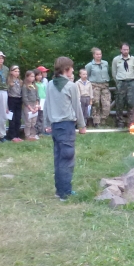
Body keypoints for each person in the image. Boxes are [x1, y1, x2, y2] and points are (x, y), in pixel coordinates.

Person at [44, 56, 86, 200]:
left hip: (55, 127)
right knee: (67, 160)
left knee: (58, 159)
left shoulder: (50, 84)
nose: (73, 70)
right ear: (66, 69)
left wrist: (47, 123)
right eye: (71, 68)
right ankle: (65, 193)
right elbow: (77, 107)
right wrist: (82, 125)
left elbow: (46, 105)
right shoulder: (71, 86)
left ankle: (59, 191)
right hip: (66, 126)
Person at [111, 43, 134, 128]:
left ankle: (131, 122)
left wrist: (133, 79)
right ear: (121, 50)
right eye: (124, 49)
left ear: (129, 50)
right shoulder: (116, 59)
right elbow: (114, 72)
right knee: (120, 103)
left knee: (131, 102)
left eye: (127, 50)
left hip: (131, 82)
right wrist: (117, 82)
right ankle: (120, 122)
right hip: (120, 82)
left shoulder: (133, 59)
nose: (126, 51)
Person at [85, 47, 111, 127]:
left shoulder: (105, 63)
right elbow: (86, 76)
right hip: (94, 86)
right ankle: (96, 122)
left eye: (100, 54)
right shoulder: (89, 65)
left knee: (106, 104)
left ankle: (104, 121)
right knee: (96, 104)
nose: (99, 56)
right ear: (93, 55)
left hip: (105, 86)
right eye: (97, 54)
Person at [6, 65, 23, 142]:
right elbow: (6, 92)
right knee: (12, 118)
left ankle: (17, 135)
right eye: (15, 71)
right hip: (11, 99)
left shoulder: (20, 81)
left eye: (18, 71)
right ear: (11, 72)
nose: (17, 73)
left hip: (18, 100)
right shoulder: (9, 81)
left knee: (18, 118)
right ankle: (12, 135)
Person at [22, 70, 40, 140]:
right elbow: (25, 98)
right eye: (31, 76)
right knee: (28, 121)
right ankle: (27, 135)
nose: (33, 78)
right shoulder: (25, 86)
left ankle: (33, 135)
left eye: (34, 76)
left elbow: (37, 97)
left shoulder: (35, 86)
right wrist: (30, 108)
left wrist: (36, 106)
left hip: (34, 105)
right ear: (27, 77)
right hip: (28, 106)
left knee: (33, 122)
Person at [35, 67, 47, 134]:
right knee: (38, 116)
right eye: (38, 75)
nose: (40, 76)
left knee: (42, 116)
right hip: (38, 100)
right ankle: (37, 131)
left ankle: (42, 130)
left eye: (40, 75)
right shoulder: (35, 84)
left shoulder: (42, 83)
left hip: (43, 100)